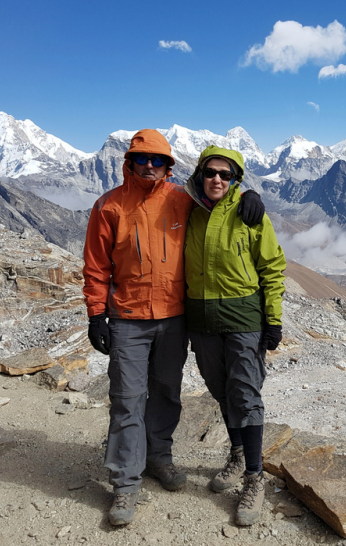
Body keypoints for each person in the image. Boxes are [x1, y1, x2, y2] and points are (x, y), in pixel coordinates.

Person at [82, 131, 265, 526]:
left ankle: (159, 460)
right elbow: (96, 266)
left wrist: (248, 197)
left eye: (158, 160)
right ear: (129, 162)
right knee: (127, 399)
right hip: (128, 318)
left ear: (170, 166)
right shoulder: (108, 206)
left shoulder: (184, 201)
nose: (150, 166)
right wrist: (97, 314)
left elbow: (221, 210)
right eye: (142, 159)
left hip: (174, 317)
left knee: (166, 392)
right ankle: (125, 483)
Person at [184, 145, 286, 526]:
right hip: (202, 319)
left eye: (226, 175)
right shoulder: (187, 211)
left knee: (245, 393)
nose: (217, 180)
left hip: (244, 318)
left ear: (236, 180)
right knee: (220, 389)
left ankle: (254, 478)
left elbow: (272, 266)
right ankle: (238, 452)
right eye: (210, 173)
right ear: (199, 175)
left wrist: (272, 319)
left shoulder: (249, 212)